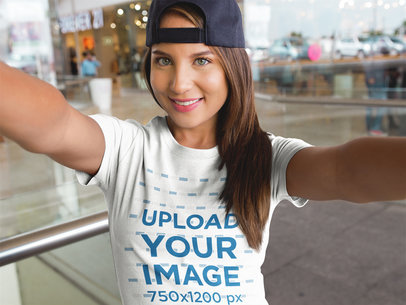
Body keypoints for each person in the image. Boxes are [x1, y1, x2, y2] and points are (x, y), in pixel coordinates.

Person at [0, 1, 405, 304]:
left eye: (201, 60)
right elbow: (55, 124)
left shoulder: (266, 157)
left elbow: (347, 170)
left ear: (232, 66)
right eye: (163, 60)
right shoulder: (127, 151)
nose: (179, 83)